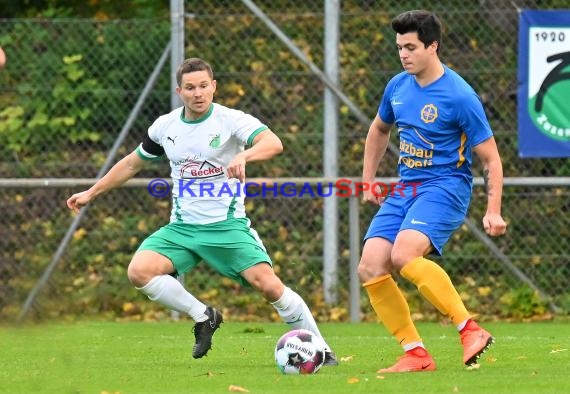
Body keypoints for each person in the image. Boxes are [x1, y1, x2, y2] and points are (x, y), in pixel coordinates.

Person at [67, 57, 338, 365]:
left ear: (214, 87)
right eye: (190, 88)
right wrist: (91, 192)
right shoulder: (165, 126)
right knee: (139, 271)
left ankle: (322, 351)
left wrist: (245, 156)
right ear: (179, 91)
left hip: (226, 226)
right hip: (182, 229)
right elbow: (131, 163)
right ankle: (204, 316)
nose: (198, 93)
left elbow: (273, 142)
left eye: (204, 86)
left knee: (269, 286)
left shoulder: (230, 120)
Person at [359, 10, 507, 373]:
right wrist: (368, 180)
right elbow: (379, 130)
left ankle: (470, 329)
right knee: (370, 264)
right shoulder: (397, 86)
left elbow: (490, 158)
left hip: (445, 186)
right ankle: (415, 354)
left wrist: (494, 209)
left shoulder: (459, 96)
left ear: (432, 46)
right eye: (399, 48)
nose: (403, 54)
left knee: (404, 255)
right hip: (406, 187)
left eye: (411, 47)